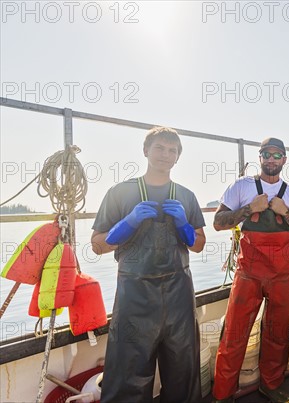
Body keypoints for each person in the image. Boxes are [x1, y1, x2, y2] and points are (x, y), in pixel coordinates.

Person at [91, 127, 206, 402]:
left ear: (178, 157)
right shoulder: (120, 192)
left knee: (183, 372)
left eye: (172, 150)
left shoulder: (186, 196)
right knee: (127, 376)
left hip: (179, 293)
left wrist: (185, 225)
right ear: (146, 151)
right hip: (135, 295)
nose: (165, 155)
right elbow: (97, 245)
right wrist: (126, 223)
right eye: (159, 148)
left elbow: (199, 244)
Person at [212, 137, 289, 403]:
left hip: (282, 275)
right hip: (249, 274)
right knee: (234, 333)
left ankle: (271, 385)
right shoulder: (241, 186)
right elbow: (218, 222)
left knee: (278, 333)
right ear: (260, 157)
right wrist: (248, 209)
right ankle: (222, 394)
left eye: (277, 155)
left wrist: (286, 212)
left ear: (284, 160)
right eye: (266, 154)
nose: (271, 159)